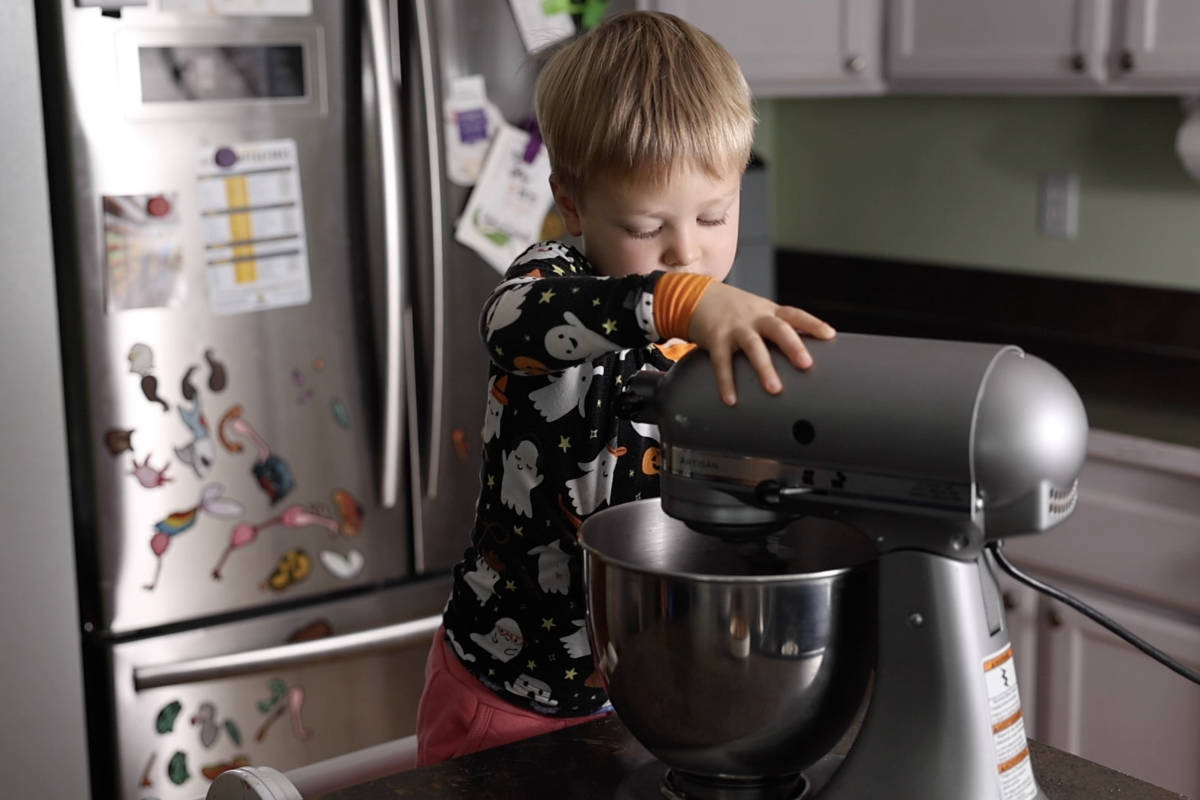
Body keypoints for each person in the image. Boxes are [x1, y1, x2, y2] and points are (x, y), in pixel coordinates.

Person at [415, 9, 835, 766]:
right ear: (573, 202)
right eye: (648, 226)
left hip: (634, 695)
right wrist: (673, 300)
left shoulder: (708, 331)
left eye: (714, 215)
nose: (688, 253)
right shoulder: (556, 282)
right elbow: (509, 323)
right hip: (508, 695)